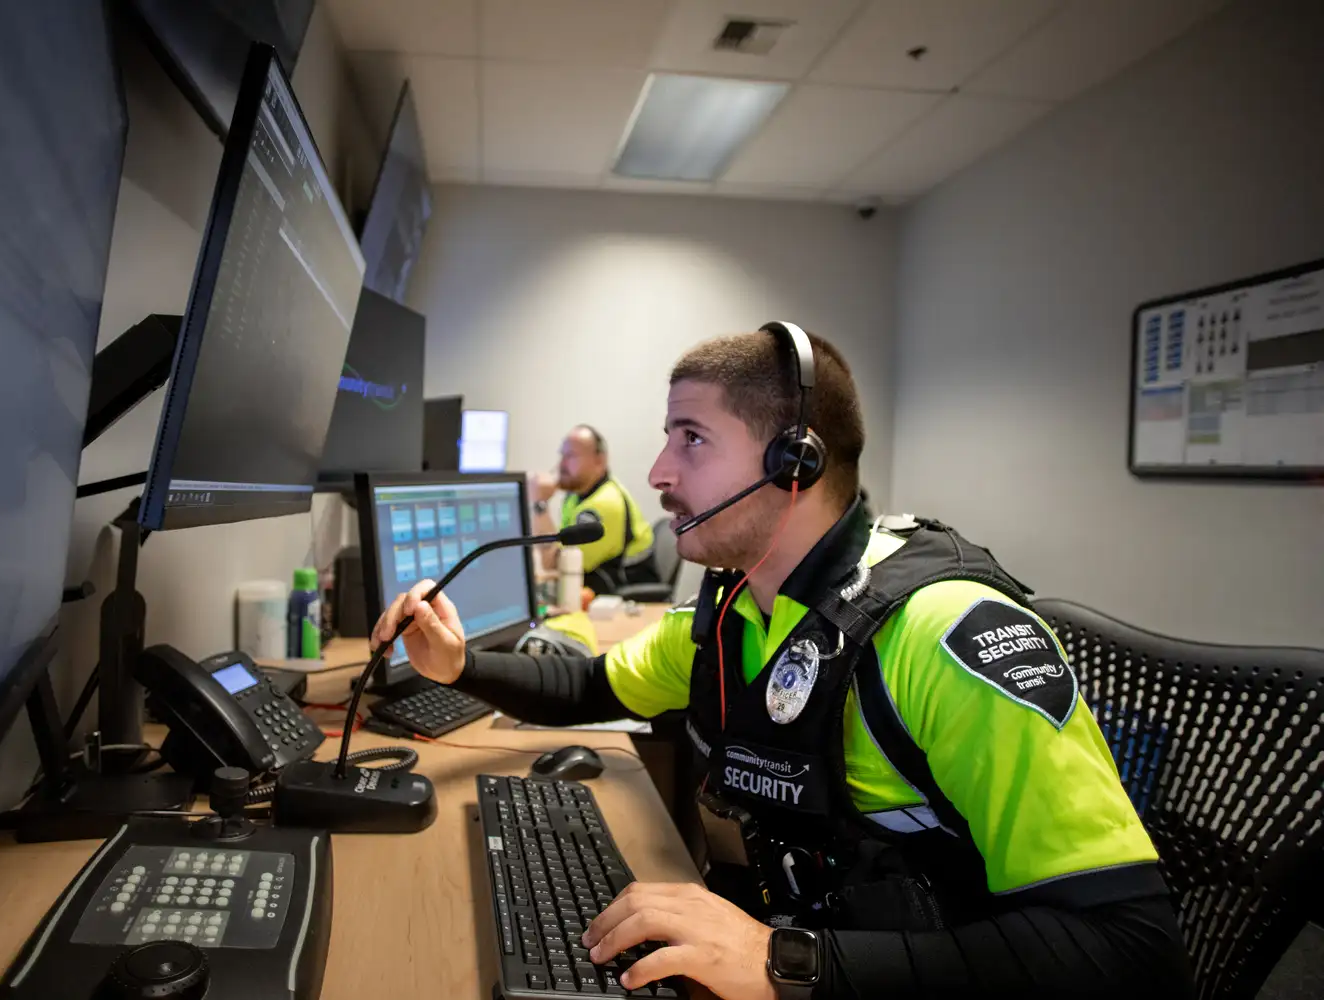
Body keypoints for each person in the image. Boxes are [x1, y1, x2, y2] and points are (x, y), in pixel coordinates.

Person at [374, 325, 1194, 999]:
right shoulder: (732, 608)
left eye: (691, 440)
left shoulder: (942, 632)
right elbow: (591, 683)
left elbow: (1130, 948)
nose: (658, 472)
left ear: (791, 463)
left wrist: (784, 961)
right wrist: (458, 667)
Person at [530, 424, 659, 595]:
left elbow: (558, 566)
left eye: (571, 456)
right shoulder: (576, 495)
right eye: (562, 455)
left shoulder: (603, 505)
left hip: (619, 601)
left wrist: (540, 504)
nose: (561, 464)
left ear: (599, 461)